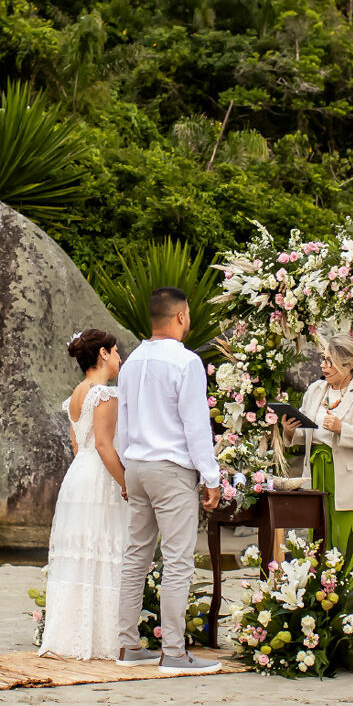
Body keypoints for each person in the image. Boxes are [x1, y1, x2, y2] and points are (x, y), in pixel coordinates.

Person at [113, 287, 223, 675]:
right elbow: (196, 425)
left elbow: (123, 422)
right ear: (180, 317)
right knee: (177, 560)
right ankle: (174, 652)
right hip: (171, 469)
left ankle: (128, 644)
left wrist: (126, 469)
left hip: (137, 465)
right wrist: (211, 476)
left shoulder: (132, 361)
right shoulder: (186, 362)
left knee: (136, 556)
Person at [38, 329, 128, 660]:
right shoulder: (104, 394)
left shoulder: (77, 393)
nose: (119, 357)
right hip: (101, 476)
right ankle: (104, 640)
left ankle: (68, 636)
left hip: (78, 476)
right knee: (103, 549)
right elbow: (104, 445)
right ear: (103, 354)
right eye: (115, 351)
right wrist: (125, 483)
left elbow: (78, 445)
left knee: (81, 553)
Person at [279, 335, 353, 587]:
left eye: (329, 361)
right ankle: (318, 598)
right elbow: (305, 430)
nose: (323, 365)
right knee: (318, 537)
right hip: (316, 470)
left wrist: (342, 429)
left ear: (347, 365)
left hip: (348, 478)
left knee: (347, 540)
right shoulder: (316, 390)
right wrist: (290, 431)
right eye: (323, 359)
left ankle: (346, 601)